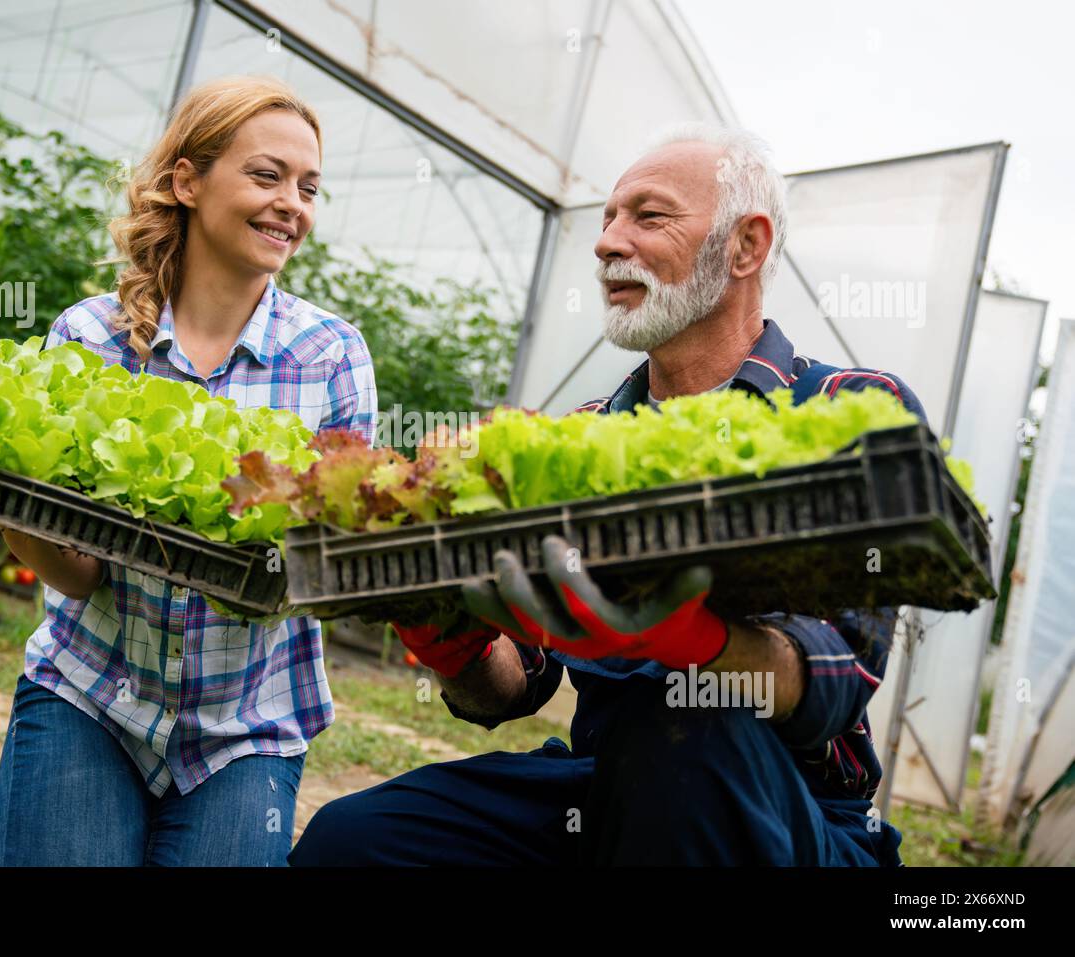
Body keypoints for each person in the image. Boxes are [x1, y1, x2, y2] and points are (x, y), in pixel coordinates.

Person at [289, 123, 922, 866]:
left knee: (686, 727)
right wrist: (449, 637)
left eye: (648, 217)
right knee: (355, 842)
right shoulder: (584, 435)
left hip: (784, 810)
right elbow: (512, 686)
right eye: (608, 218)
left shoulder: (847, 408)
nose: (607, 241)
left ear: (746, 246)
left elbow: (835, 676)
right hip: (603, 784)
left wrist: (691, 639)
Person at [0, 75, 377, 867]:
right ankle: (32, 797)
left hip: (249, 723)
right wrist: (10, 500)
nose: (292, 203)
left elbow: (328, 570)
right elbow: (79, 575)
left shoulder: (330, 355)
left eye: (308, 187)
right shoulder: (90, 336)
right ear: (188, 181)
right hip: (93, 690)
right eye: (266, 176)